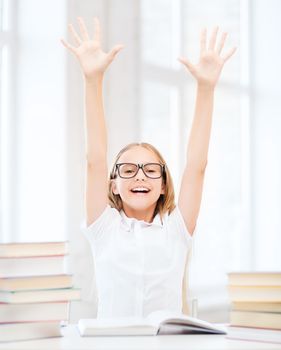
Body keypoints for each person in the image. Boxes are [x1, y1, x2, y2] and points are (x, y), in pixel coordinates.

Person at [61, 17, 236, 319]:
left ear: (164, 184)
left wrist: (206, 89)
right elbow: (95, 159)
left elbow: (197, 166)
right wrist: (93, 81)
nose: (140, 175)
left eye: (151, 170)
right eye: (127, 170)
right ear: (113, 183)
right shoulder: (104, 227)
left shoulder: (177, 230)